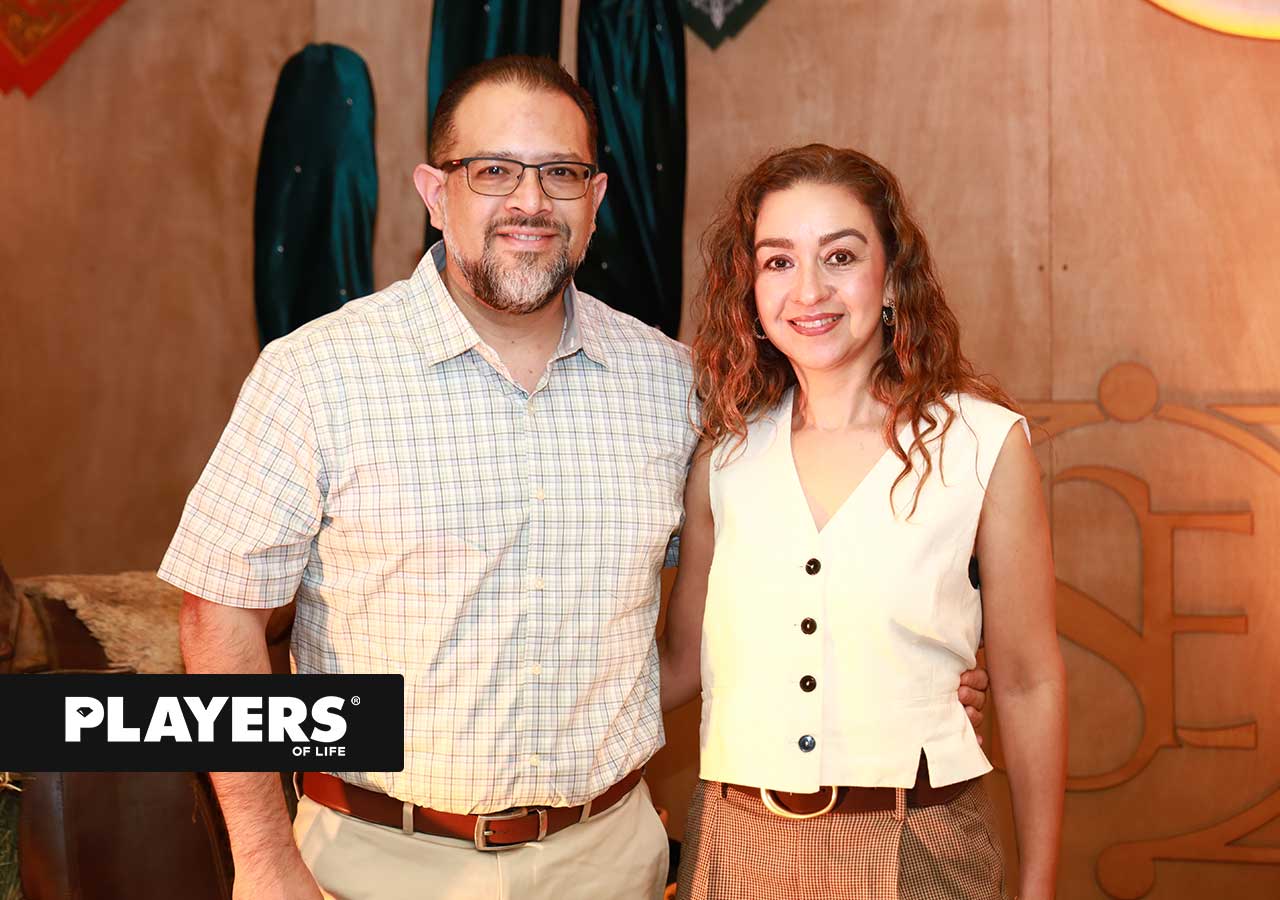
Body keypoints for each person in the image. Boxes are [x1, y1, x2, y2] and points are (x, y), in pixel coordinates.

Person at [161, 58, 991, 900]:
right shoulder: (314, 375)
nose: (529, 202)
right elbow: (219, 616)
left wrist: (915, 675)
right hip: (371, 860)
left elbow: (772, 576)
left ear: (594, 201)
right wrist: (264, 860)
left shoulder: (671, 385)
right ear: (435, 194)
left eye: (559, 173)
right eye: (492, 171)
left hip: (609, 860)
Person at [660, 145, 1066, 900]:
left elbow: (1027, 681)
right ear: (750, 289)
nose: (809, 290)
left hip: (920, 843)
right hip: (734, 845)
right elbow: (682, 663)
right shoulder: (723, 456)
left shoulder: (982, 444)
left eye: (840, 257)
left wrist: (1039, 886)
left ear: (892, 279)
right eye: (778, 261)